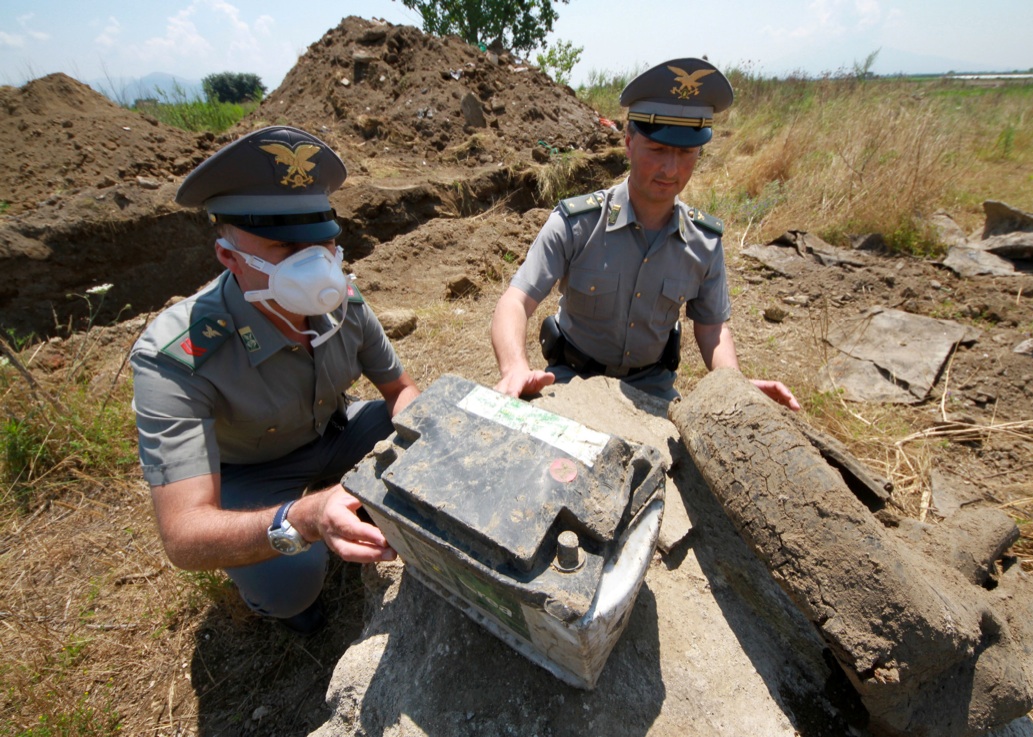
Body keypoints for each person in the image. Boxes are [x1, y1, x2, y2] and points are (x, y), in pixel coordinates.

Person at [130, 126, 419, 635]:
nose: (319, 266)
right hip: (252, 470)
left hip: (335, 431)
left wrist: (413, 443)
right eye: (287, 247)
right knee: (290, 583)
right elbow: (183, 534)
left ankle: (347, 502)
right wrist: (303, 518)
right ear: (229, 256)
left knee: (426, 428)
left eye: (325, 243)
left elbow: (401, 391)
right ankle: (278, 600)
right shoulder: (177, 354)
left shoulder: (344, 301)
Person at [491, 58, 800, 410]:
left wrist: (734, 387)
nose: (671, 169)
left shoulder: (704, 242)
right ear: (628, 143)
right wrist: (515, 366)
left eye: (686, 153)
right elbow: (514, 301)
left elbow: (713, 330)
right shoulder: (578, 223)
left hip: (653, 391)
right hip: (572, 380)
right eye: (657, 149)